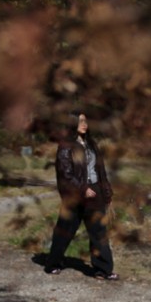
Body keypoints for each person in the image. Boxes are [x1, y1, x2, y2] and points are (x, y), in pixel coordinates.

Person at [43, 112, 118, 280]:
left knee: (99, 232)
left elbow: (101, 171)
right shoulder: (66, 146)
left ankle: (103, 270)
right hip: (75, 195)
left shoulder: (92, 144)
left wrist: (106, 192)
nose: (84, 124)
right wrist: (83, 189)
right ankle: (53, 263)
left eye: (86, 121)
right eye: (80, 121)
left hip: (95, 192)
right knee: (64, 231)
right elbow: (65, 174)